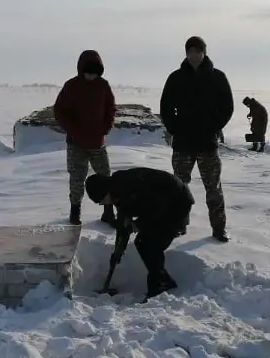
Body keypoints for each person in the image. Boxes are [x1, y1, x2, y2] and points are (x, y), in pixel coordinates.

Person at [159, 36, 234, 242]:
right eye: (190, 52)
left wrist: (214, 127)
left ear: (204, 52)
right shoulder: (176, 78)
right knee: (178, 188)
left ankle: (219, 228)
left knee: (214, 188)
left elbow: (227, 107)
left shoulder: (217, 77)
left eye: (197, 51)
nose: (194, 55)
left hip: (207, 144)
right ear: (186, 53)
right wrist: (175, 128)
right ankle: (178, 224)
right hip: (183, 144)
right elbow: (166, 107)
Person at [85, 167, 194, 299]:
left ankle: (159, 286)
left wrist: (139, 224)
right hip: (162, 207)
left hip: (176, 203)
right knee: (143, 242)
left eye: (100, 200)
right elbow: (123, 224)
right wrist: (118, 249)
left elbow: (157, 206)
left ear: (105, 191)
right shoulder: (118, 192)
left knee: (150, 243)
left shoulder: (128, 185)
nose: (101, 203)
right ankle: (163, 281)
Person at [53, 49, 117, 227]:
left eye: (94, 72)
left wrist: (105, 128)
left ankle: (108, 212)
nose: (91, 76)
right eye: (88, 72)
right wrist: (73, 130)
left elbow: (111, 108)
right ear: (81, 70)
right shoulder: (71, 86)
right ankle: (75, 212)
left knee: (105, 177)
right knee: (76, 178)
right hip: (76, 144)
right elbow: (59, 111)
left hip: (97, 143)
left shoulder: (103, 86)